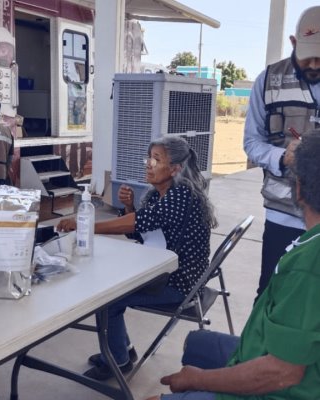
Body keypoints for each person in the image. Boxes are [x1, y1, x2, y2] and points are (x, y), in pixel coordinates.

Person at [147, 131, 320, 400]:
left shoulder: (308, 266)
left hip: (281, 387)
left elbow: (281, 373)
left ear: (297, 188)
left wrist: (199, 379)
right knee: (196, 343)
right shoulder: (309, 245)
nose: (149, 164)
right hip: (263, 350)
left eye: (155, 159)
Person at [57, 136, 218, 380]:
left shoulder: (182, 195)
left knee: (107, 298)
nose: (148, 164)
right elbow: (142, 231)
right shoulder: (158, 195)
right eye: (149, 158)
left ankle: (117, 362)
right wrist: (130, 206)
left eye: (156, 160)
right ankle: (123, 350)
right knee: (107, 283)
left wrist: (86, 226)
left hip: (179, 283)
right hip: (161, 271)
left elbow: (139, 223)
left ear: (175, 168)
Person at [243, 6, 320, 299]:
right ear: (293, 42)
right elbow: (251, 142)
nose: (314, 64)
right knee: (271, 295)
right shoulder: (268, 81)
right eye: (307, 55)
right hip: (282, 215)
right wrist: (281, 157)